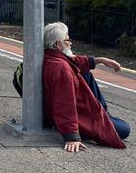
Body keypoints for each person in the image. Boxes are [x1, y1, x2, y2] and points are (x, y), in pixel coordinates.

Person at [42, 22, 129, 151]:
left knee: (85, 70)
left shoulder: (52, 57)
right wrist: (71, 135)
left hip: (61, 114)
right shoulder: (62, 69)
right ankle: (103, 116)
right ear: (57, 44)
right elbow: (64, 104)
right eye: (67, 39)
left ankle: (103, 114)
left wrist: (100, 60)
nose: (70, 42)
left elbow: (75, 61)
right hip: (79, 118)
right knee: (124, 129)